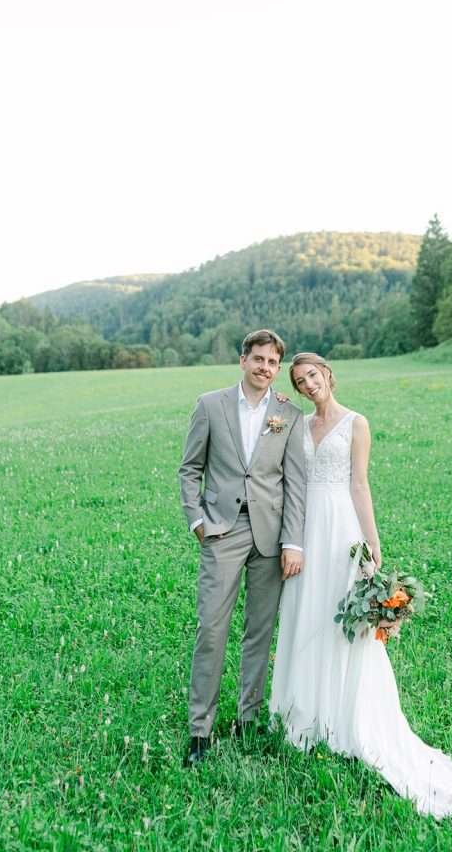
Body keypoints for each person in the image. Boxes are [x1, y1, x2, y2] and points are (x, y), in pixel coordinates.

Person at [269, 352, 452, 819]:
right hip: (307, 533)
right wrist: (279, 402)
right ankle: (306, 714)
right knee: (308, 614)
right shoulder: (299, 425)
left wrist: (372, 544)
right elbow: (290, 474)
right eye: (300, 382)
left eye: (313, 376)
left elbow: (359, 485)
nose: (308, 385)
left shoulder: (356, 424)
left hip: (342, 528)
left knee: (345, 623)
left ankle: (350, 720)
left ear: (328, 374)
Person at [179, 329, 306, 767]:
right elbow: (189, 468)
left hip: (271, 538)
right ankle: (200, 730)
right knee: (211, 629)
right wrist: (197, 520)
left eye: (273, 363)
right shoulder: (210, 405)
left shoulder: (289, 414)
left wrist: (293, 541)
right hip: (222, 531)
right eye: (258, 359)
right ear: (242, 360)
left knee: (259, 632)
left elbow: (295, 482)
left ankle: (248, 718)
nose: (265, 368)